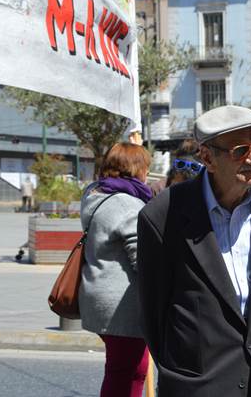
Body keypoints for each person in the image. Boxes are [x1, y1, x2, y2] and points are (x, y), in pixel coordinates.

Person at [137, 105, 251, 397]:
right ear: (207, 157)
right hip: (202, 384)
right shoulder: (162, 216)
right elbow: (154, 315)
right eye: (241, 150)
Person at [79, 143, 153, 397]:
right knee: (125, 371)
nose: (147, 174)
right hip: (121, 304)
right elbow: (142, 257)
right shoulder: (125, 204)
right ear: (135, 168)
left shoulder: (95, 194)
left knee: (129, 368)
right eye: (145, 167)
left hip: (98, 295)